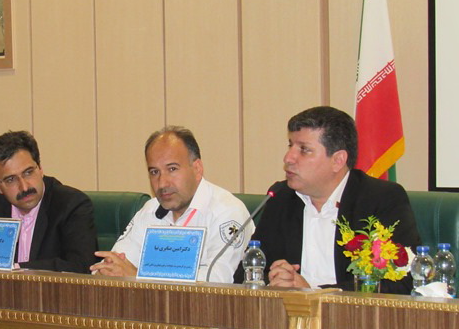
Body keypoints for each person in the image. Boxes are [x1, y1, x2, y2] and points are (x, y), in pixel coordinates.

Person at [251, 106, 421, 294]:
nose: (288, 158)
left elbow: (404, 282)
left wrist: (313, 291)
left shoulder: (380, 198)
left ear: (338, 160)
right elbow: (248, 271)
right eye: (290, 145)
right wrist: (275, 279)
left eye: (304, 149)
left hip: (352, 311)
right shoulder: (280, 197)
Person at [90, 126, 252, 283]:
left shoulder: (227, 212)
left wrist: (138, 278)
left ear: (197, 169)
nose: (162, 183)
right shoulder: (150, 211)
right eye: (154, 172)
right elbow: (110, 267)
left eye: (172, 169)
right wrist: (110, 271)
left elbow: (216, 282)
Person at [0, 131, 98, 273]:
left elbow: (82, 265)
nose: (24, 187)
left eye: (28, 172)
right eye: (11, 180)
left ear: (40, 169)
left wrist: (12, 268)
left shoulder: (70, 204)